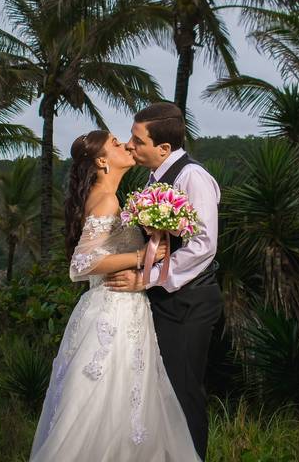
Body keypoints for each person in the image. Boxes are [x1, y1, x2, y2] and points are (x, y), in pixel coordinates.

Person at [29, 129, 202, 462]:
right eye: (115, 143)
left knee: (124, 399)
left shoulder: (109, 197)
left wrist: (154, 238)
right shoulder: (106, 199)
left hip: (121, 306)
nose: (125, 144)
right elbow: (82, 263)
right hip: (114, 310)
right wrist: (142, 258)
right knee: (105, 399)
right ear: (102, 161)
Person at [105, 102, 223, 461]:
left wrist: (146, 278)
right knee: (160, 392)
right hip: (165, 301)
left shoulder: (193, 178)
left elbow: (204, 246)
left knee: (183, 392)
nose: (130, 145)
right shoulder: (155, 178)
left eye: (137, 140)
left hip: (189, 302)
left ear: (163, 148)